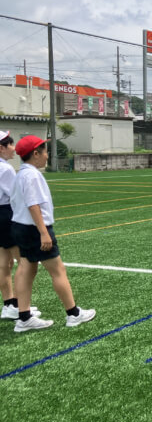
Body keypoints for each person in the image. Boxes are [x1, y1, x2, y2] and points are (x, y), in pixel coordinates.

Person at [11, 135, 95, 332]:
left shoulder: (21, 173)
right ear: (35, 153)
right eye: (45, 151)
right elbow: (33, 205)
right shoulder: (32, 175)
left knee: (26, 268)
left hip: (20, 227)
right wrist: (43, 232)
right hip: (34, 228)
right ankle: (73, 314)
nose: (47, 156)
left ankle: (23, 317)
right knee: (57, 270)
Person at [0, 131, 40, 321]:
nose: (13, 149)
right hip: (6, 213)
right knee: (22, 261)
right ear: (1, 148)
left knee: (3, 263)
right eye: (10, 145)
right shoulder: (6, 169)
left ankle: (9, 304)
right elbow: (14, 195)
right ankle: (23, 308)